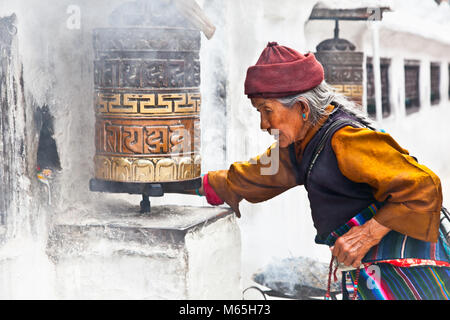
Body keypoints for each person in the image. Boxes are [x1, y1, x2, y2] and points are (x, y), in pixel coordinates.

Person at [194, 42, 450, 300]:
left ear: (303, 108)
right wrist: (196, 184)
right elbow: (256, 175)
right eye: (259, 112)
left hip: (407, 273)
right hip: (373, 272)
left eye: (267, 111)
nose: (263, 124)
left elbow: (424, 186)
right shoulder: (302, 144)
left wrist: (367, 233)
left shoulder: (345, 140)